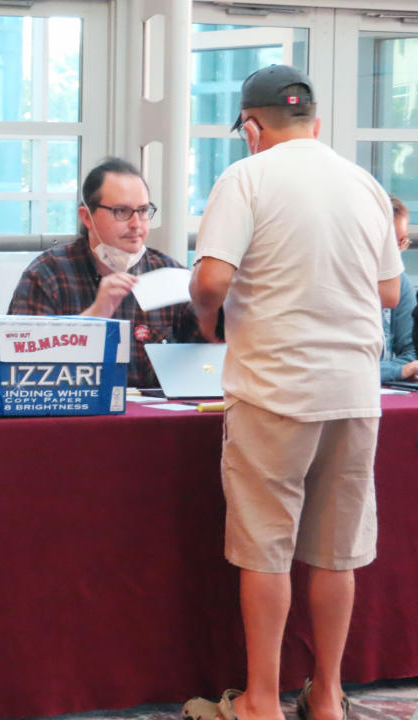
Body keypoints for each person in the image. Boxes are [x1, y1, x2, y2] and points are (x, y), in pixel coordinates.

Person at [184, 65, 401, 720]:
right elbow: (390, 293)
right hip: (357, 393)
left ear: (251, 128)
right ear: (316, 122)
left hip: (275, 389)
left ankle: (260, 702)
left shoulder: (245, 178)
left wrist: (205, 323)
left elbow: (211, 279)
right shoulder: (365, 184)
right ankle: (329, 697)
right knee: (337, 555)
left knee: (266, 548)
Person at [7, 157, 201, 387]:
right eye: (121, 211)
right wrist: (94, 317)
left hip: (153, 418)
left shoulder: (169, 274)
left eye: (142, 211)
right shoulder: (48, 274)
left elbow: (207, 361)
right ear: (87, 217)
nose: (136, 224)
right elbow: (17, 364)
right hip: (73, 417)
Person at [380, 195, 416, 383]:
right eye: (389, 243)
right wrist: (397, 372)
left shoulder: (400, 280)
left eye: (401, 242)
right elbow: (341, 371)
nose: (396, 254)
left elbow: (413, 353)